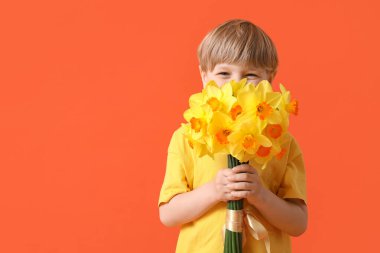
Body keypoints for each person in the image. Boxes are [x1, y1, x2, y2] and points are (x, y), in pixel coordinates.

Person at [158, 19, 308, 253]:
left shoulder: (281, 142)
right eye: (224, 73)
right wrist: (215, 190)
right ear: (204, 76)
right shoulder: (188, 136)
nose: (236, 85)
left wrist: (260, 195)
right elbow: (168, 214)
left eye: (250, 75)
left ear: (270, 79)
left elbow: (298, 223)